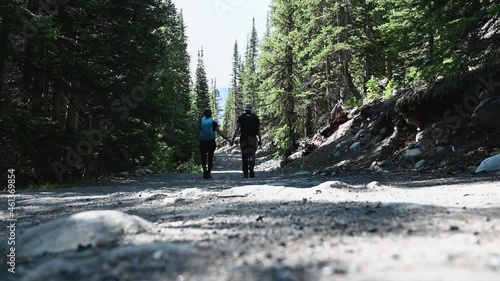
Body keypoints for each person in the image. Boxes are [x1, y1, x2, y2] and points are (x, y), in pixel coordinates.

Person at [199, 109, 232, 179]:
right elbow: (219, 132)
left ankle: (204, 169)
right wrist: (228, 139)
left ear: (204, 114)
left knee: (203, 156)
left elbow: (198, 131)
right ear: (211, 114)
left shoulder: (201, 122)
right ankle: (209, 172)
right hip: (211, 141)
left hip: (202, 141)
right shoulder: (213, 122)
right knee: (210, 156)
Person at [232, 103, 262, 178]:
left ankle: (245, 173)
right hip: (253, 138)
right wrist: (260, 140)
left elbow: (237, 129)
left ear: (245, 109)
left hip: (244, 138)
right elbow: (258, 130)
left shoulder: (241, 117)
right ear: (251, 109)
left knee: (244, 155)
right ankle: (251, 168)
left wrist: (233, 138)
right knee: (252, 154)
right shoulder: (255, 117)